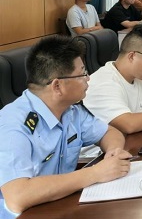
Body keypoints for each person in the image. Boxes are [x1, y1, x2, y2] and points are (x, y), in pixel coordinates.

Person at [0, 36, 131, 216]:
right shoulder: (13, 125)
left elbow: (109, 132)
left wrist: (113, 153)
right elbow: (17, 197)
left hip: (60, 206)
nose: (88, 78)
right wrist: (95, 173)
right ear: (57, 86)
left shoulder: (70, 111)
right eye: (82, 73)